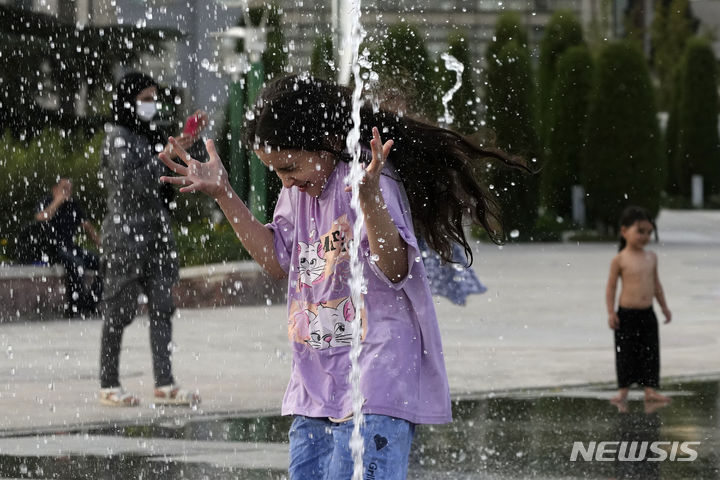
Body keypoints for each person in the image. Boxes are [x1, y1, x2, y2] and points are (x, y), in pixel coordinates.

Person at [159, 74, 527, 479]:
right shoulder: (296, 192)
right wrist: (224, 194)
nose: (285, 180)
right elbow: (279, 261)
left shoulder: (370, 182)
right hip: (316, 384)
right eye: (275, 172)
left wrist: (370, 203)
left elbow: (396, 268)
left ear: (328, 141)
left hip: (376, 378)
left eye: (289, 166)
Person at [98, 71, 207, 407]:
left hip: (155, 235)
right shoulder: (118, 137)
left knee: (162, 306)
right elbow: (132, 183)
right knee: (118, 309)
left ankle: (164, 382)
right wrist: (167, 154)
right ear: (128, 100)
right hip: (125, 238)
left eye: (153, 98)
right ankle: (108, 384)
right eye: (144, 98)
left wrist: (185, 146)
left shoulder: (147, 136)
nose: (151, 105)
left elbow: (172, 173)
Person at [606, 206, 672, 406]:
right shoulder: (620, 259)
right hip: (626, 314)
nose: (645, 236)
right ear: (624, 231)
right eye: (640, 231)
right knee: (625, 352)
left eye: (649, 232)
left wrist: (664, 307)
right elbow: (611, 288)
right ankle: (623, 390)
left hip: (647, 313)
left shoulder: (651, 257)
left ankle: (650, 389)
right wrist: (611, 312)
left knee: (650, 351)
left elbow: (656, 285)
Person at [32, 177, 102, 317]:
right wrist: (57, 201)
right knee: (77, 265)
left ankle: (90, 304)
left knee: (104, 264)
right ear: (55, 190)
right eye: (64, 189)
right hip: (52, 249)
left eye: (69, 189)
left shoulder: (73, 205)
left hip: (70, 248)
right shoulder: (46, 202)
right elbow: (41, 218)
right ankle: (74, 308)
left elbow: (87, 226)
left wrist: (101, 244)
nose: (67, 193)